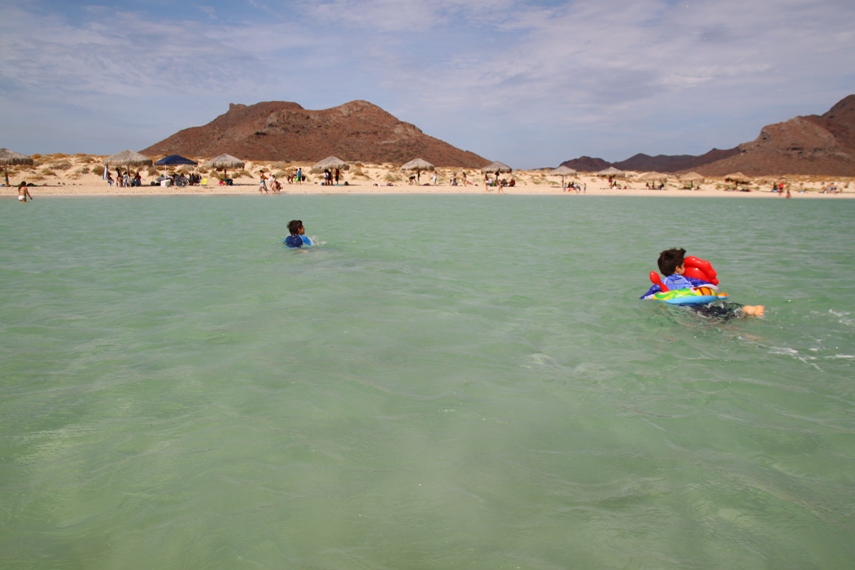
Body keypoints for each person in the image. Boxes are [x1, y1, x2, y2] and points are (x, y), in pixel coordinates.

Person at [657, 248, 764, 319]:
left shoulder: (663, 284)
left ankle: (745, 314)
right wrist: (716, 294)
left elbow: (652, 295)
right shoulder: (687, 280)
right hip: (699, 303)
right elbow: (705, 287)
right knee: (724, 310)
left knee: (712, 318)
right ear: (678, 268)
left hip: (688, 310)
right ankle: (748, 309)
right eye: (684, 265)